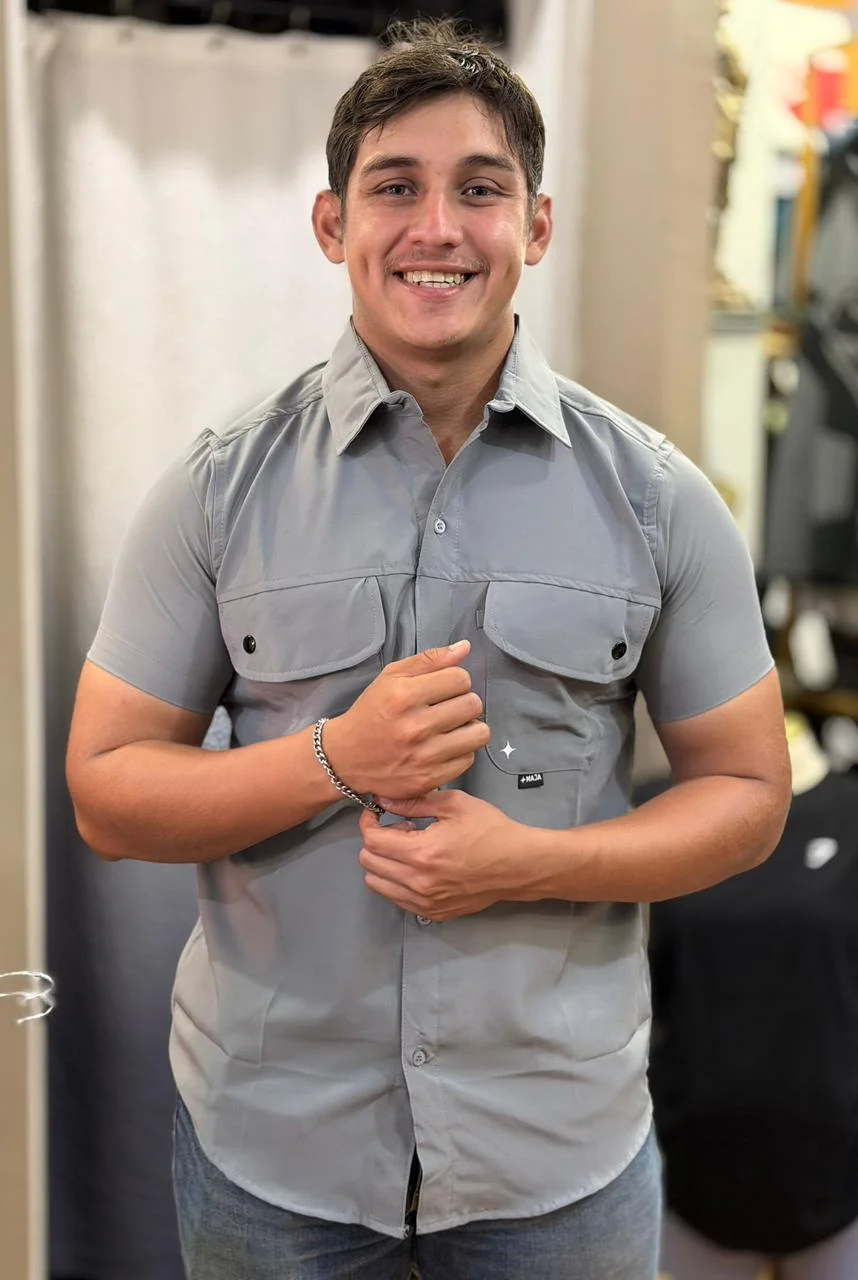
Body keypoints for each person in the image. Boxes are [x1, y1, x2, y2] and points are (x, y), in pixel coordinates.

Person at [65, 19, 791, 1280]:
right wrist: (336, 758)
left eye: (481, 189)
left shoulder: (660, 500)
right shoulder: (216, 490)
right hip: (272, 1162)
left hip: (556, 1166)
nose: (437, 227)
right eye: (394, 187)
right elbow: (108, 792)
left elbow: (750, 793)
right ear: (331, 223)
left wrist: (533, 862)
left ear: (538, 225)